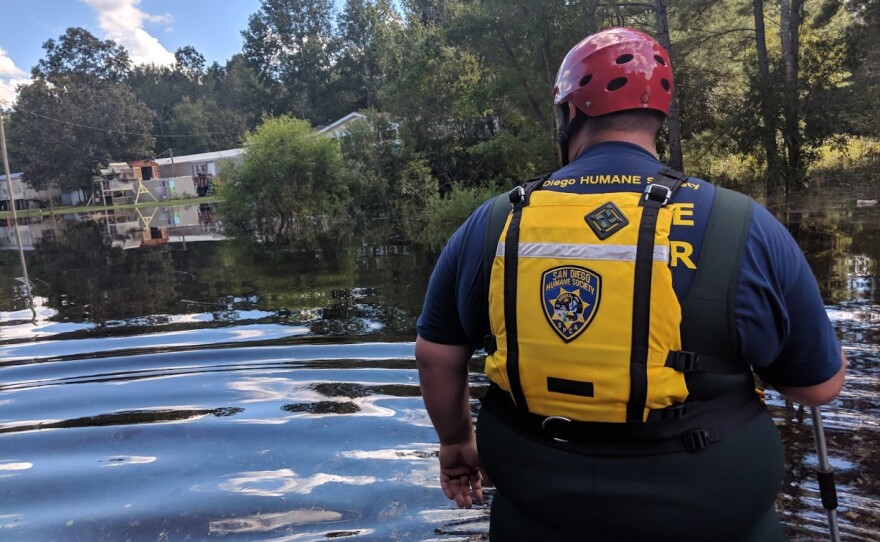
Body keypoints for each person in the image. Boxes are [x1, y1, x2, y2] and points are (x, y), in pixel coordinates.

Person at [415, 27, 846, 541]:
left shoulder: (489, 225)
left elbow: (437, 355)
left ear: (570, 115)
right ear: (659, 120)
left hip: (540, 494)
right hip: (712, 500)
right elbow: (817, 386)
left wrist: (457, 441)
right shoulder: (743, 225)